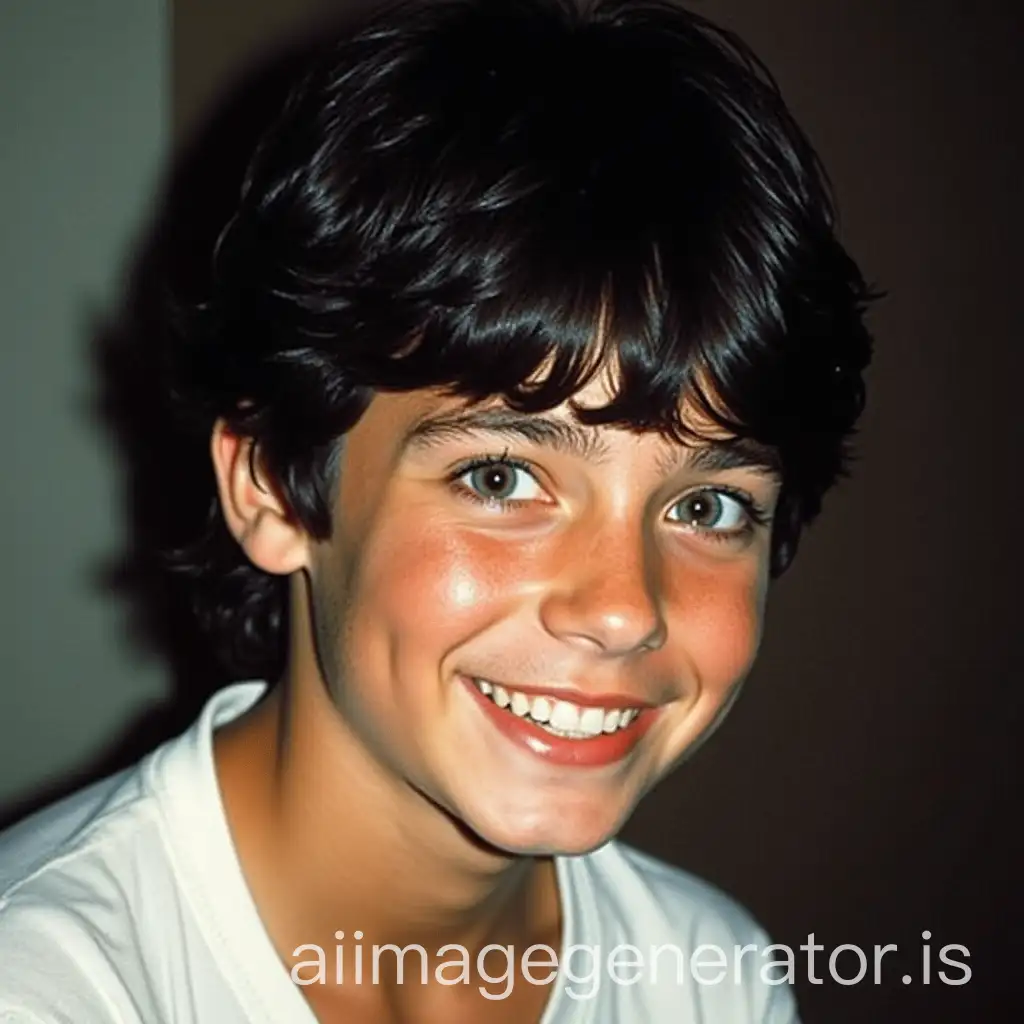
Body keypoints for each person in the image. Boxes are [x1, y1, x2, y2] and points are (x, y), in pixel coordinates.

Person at [0, 0, 874, 1020]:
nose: (623, 607)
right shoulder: (53, 986)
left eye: (709, 503)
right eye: (502, 479)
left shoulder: (710, 977)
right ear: (274, 486)